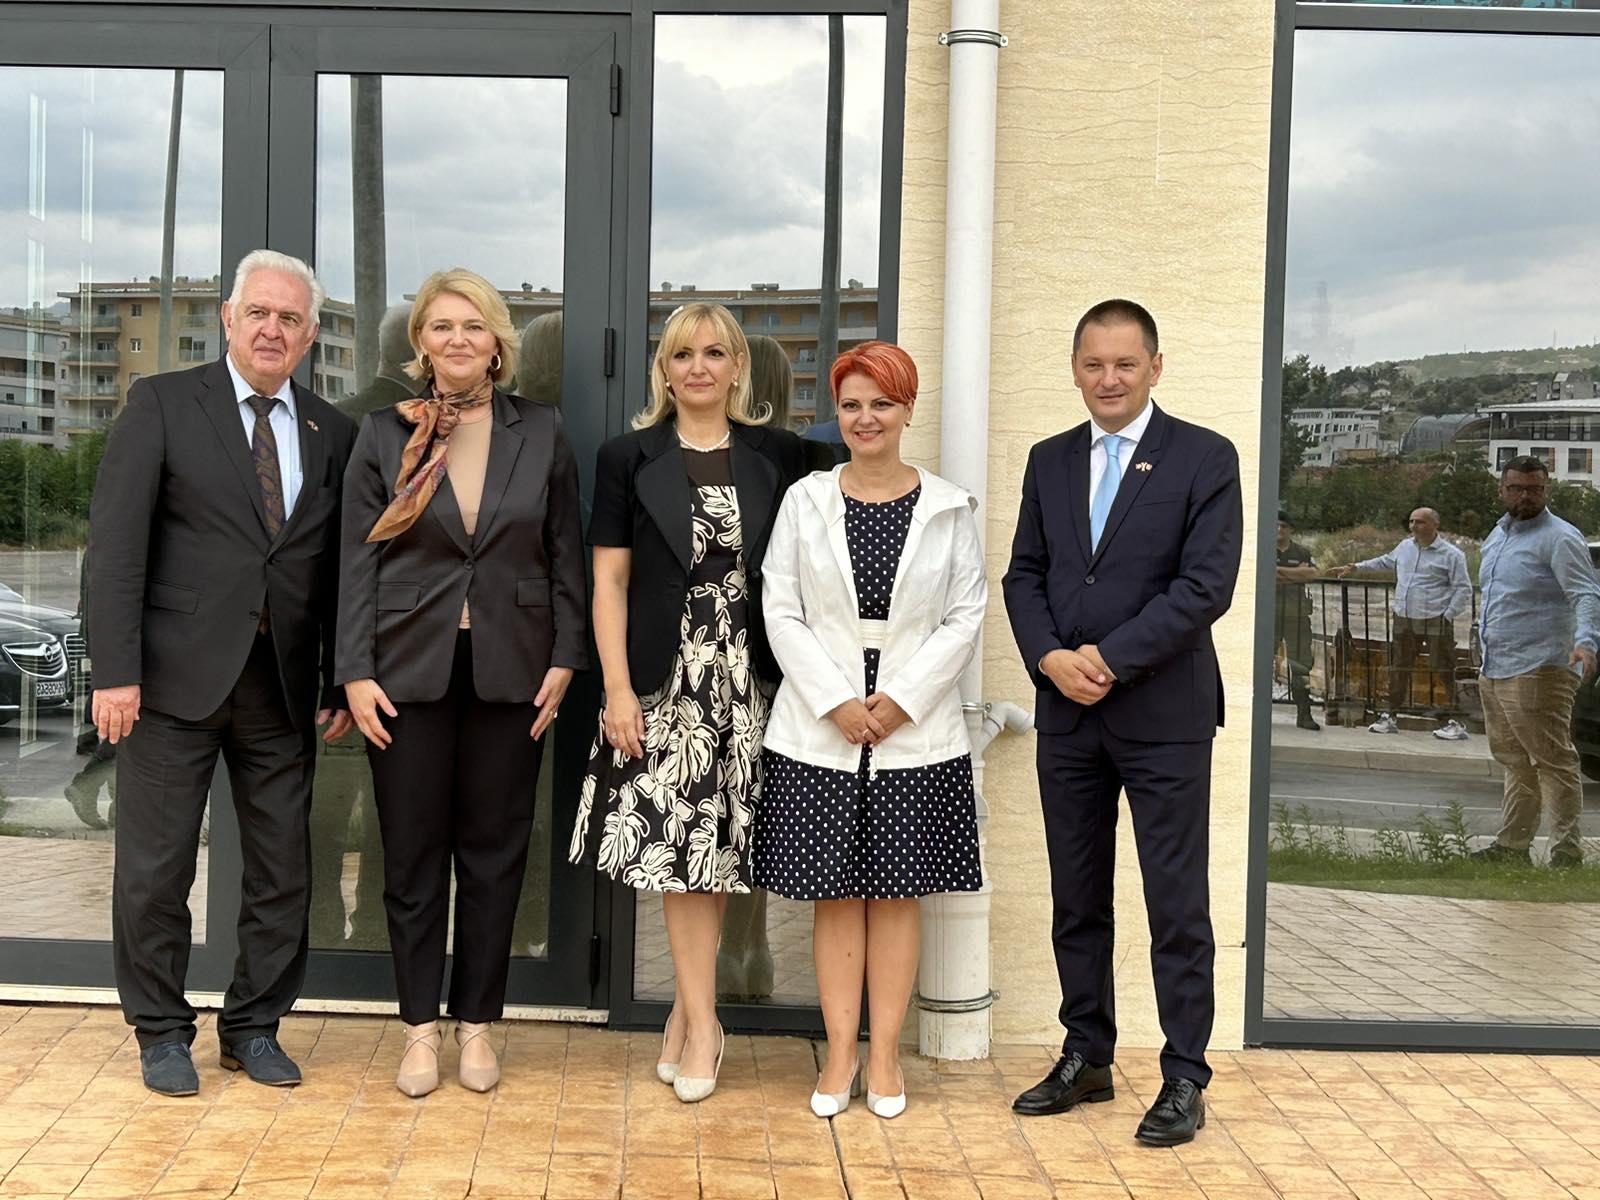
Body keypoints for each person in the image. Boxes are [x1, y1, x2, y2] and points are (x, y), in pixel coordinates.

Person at [88, 249, 357, 1097]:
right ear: (229, 320)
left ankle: (254, 1028)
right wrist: (114, 671)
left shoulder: (332, 431)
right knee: (156, 872)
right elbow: (116, 548)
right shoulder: (163, 404)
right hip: (168, 686)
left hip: (282, 688)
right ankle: (162, 1033)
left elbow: (339, 571)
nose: (273, 328)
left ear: (309, 336)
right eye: (260, 313)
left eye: (290, 318)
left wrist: (339, 678)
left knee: (284, 871)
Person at [337, 268, 587, 1096]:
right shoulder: (383, 433)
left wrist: (566, 656)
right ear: (420, 342)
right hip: (404, 673)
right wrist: (354, 672)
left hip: (514, 671)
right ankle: (419, 1030)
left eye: (473, 326)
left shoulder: (541, 430)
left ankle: (477, 1025)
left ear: (497, 344)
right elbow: (356, 563)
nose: (457, 339)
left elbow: (564, 552)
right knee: (411, 857)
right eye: (441, 326)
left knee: (494, 855)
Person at [1002, 299, 1242, 1147]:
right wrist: (1049, 658)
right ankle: (1087, 1054)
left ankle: (1184, 1076)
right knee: (1078, 896)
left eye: (1125, 364)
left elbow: (1205, 587)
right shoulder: (1050, 459)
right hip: (1068, 717)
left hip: (1163, 715)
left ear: (1155, 367)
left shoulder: (1205, 457)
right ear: (1075, 368)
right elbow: (1023, 575)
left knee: (1176, 902)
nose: (1109, 379)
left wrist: (1105, 658)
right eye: (1094, 364)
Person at [568, 301, 806, 1103]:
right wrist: (617, 688)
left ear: (738, 367)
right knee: (681, 854)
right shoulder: (627, 457)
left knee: (724, 851)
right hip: (667, 680)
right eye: (681, 354)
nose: (698, 367)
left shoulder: (780, 456)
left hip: (754, 679)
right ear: (663, 372)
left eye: (713, 353)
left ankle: (685, 1013)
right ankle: (706, 1025)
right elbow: (609, 580)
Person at [754, 341, 984, 1120]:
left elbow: (965, 616)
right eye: (851, 404)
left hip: (914, 731)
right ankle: (840, 1054)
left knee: (895, 895)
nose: (865, 418)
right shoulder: (806, 500)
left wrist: (901, 701)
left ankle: (884, 1056)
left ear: (908, 408)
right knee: (835, 897)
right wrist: (837, 701)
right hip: (820, 727)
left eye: (881, 403)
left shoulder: (948, 507)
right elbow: (781, 608)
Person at [1468, 456, 1599, 869]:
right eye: (1517, 488)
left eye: (1535, 489)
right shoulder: (1498, 536)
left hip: (1540, 666)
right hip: (1496, 666)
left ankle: (1566, 851)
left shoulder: (1559, 537)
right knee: (1515, 760)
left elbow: (1585, 593)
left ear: (1546, 490)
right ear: (1502, 491)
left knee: (1553, 760)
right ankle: (1512, 847)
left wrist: (1586, 642)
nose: (1526, 496)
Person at [1335, 507, 1472, 739]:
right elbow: (1385, 562)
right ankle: (1390, 716)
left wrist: (1447, 615)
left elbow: (1463, 589)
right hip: (1404, 618)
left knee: (1443, 668)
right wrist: (1357, 567)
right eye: (1411, 521)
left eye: (1420, 522)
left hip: (1435, 619)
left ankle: (1454, 721)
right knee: (1399, 667)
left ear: (1435, 525)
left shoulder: (1452, 555)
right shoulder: (1405, 547)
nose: (1413, 526)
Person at [1274, 512, 1321, 732]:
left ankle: (1304, 714)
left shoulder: (1302, 551)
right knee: (1261, 663)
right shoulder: (1263, 548)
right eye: (1276, 525)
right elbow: (1261, 573)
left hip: (1297, 616)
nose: (1279, 530)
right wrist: (1296, 573)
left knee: (1301, 665)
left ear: (1291, 529)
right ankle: (1258, 714)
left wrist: (1278, 571)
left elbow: (1312, 574)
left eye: (1284, 526)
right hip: (1269, 615)